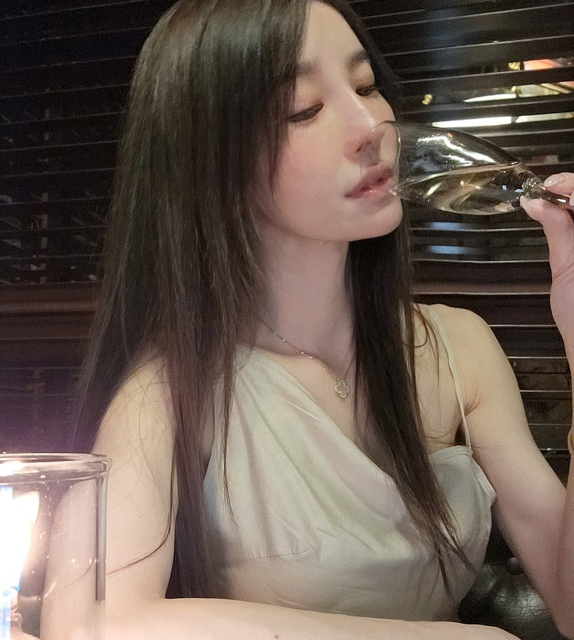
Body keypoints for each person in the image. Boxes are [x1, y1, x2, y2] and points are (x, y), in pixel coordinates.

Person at [73, 0, 574, 638]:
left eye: (365, 86)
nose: (371, 125)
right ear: (210, 160)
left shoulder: (458, 349)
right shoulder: (172, 391)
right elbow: (93, 619)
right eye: (304, 109)